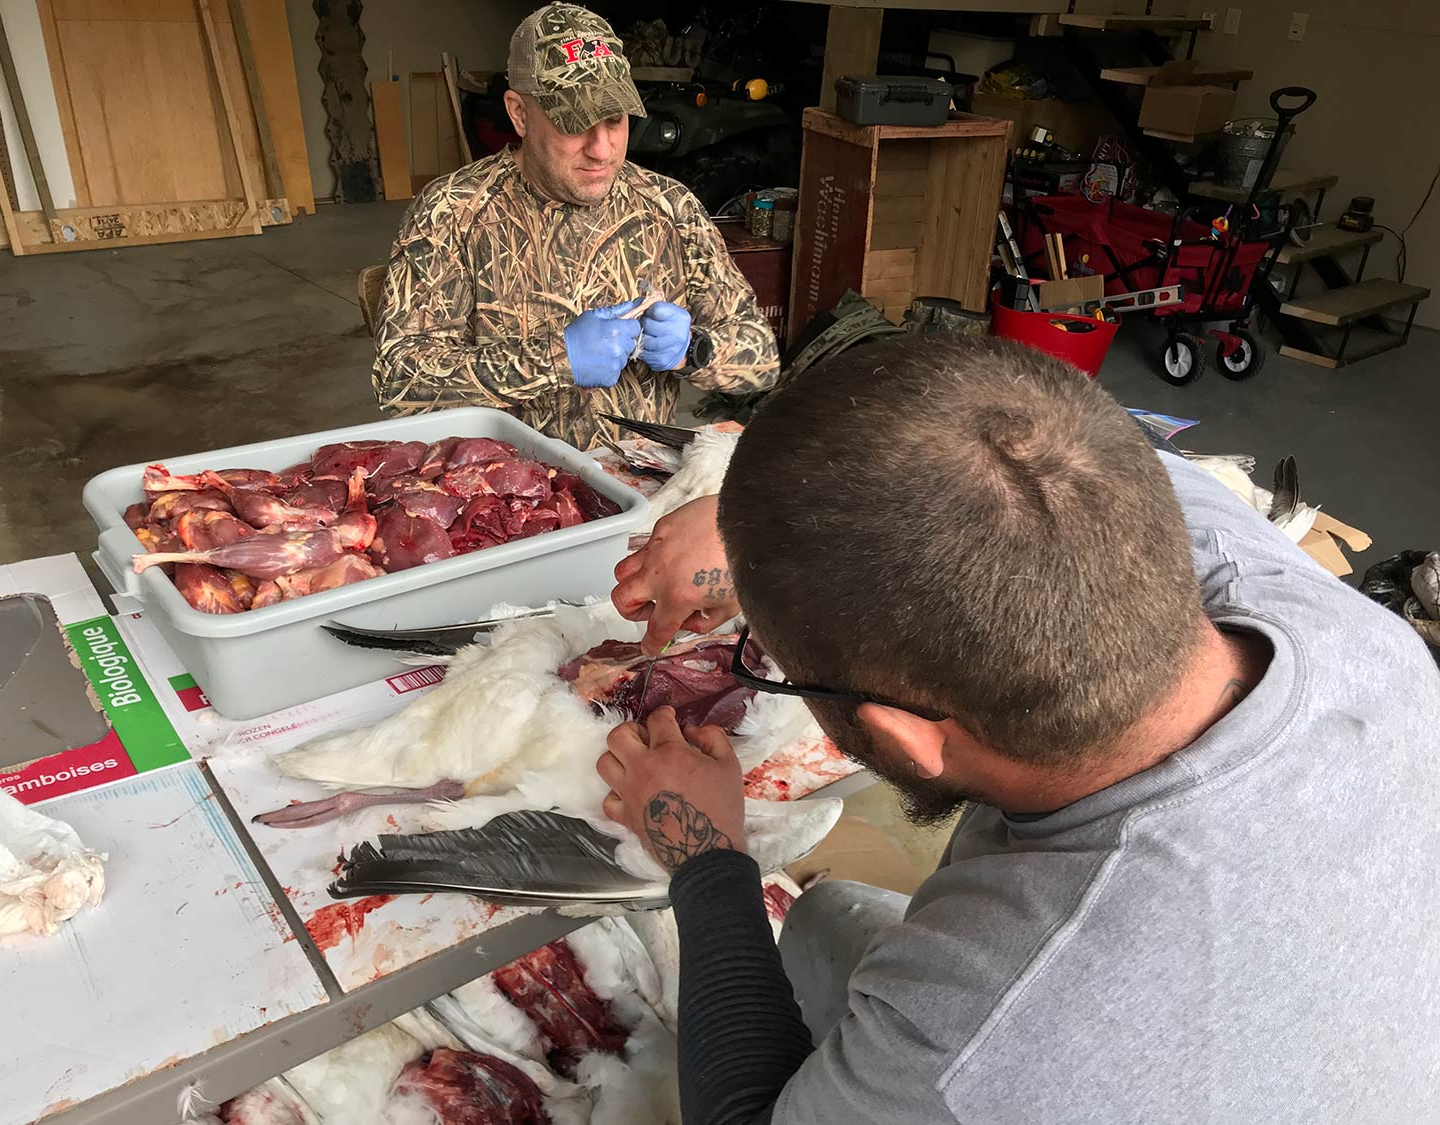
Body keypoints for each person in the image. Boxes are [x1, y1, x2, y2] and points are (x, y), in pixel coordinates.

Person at [599, 334, 1440, 1123]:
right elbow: (1045, 455)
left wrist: (707, 859)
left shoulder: (981, 1031)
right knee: (828, 920)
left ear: (913, 735)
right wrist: (757, 520)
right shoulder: (1345, 628)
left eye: (769, 659)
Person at [371, 3, 779, 450]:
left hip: (636, 485)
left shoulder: (668, 208)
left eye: (615, 120)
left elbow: (761, 358)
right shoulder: (453, 211)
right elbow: (400, 382)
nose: (602, 150)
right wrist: (555, 359)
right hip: (505, 494)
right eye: (575, 123)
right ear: (519, 113)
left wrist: (692, 350)